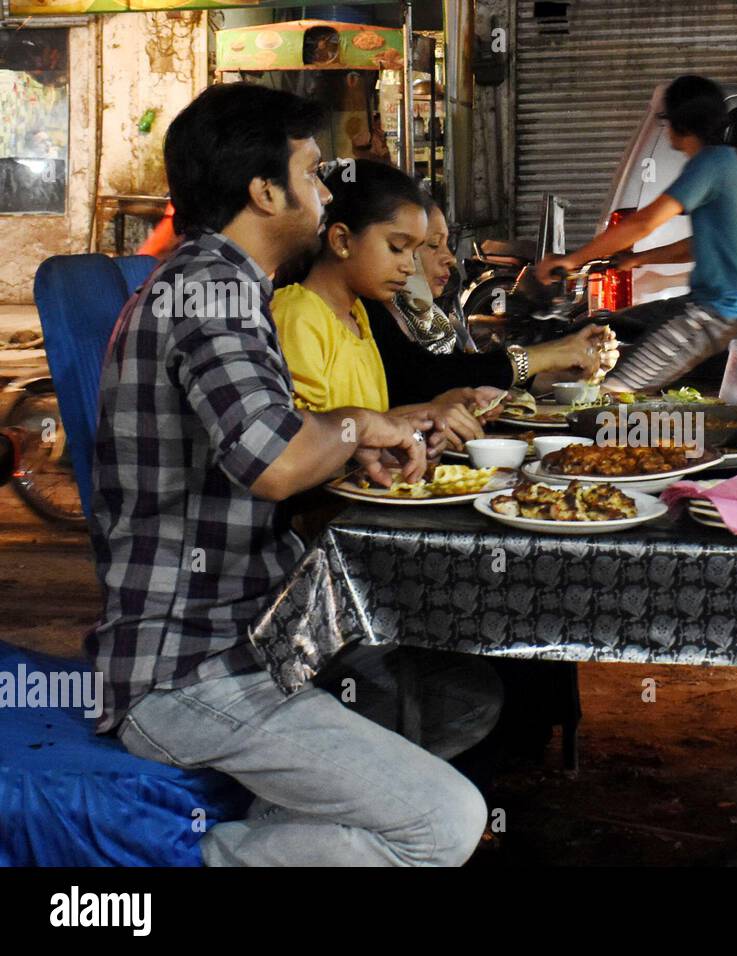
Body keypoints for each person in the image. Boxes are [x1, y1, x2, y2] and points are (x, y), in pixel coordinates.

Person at [89, 83, 489, 866]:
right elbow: (274, 464)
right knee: (444, 822)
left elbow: (273, 442)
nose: (324, 190)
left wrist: (349, 444)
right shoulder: (210, 290)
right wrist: (357, 425)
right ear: (265, 190)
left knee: (446, 700)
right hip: (186, 670)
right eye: (311, 172)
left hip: (250, 647)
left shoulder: (228, 286)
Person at [534, 74, 737, 393]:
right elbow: (699, 245)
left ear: (680, 122)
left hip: (717, 313)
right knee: (612, 328)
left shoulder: (708, 165)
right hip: (720, 307)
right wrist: (639, 259)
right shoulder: (731, 164)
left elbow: (642, 223)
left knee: (614, 390)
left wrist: (571, 260)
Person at [270, 158, 496, 451]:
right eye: (396, 248)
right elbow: (304, 444)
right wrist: (423, 415)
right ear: (341, 240)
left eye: (413, 252)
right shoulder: (299, 316)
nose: (407, 267)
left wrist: (430, 416)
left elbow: (368, 426)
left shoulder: (359, 316)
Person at [363, 185, 617, 404]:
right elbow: (428, 379)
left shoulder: (435, 318)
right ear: (341, 241)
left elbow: (472, 377)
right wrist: (547, 354)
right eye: (400, 247)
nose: (451, 260)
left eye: (447, 245)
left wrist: (569, 375)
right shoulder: (369, 314)